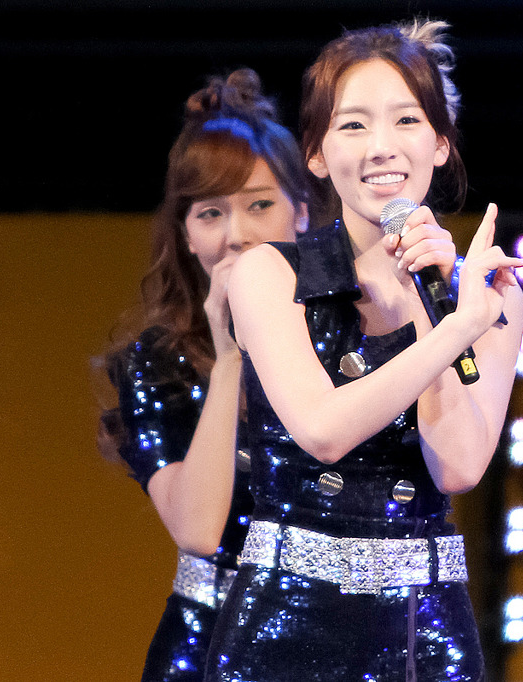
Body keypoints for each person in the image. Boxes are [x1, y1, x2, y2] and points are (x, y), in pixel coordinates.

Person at [206, 20, 523, 682]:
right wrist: (453, 333)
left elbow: (458, 467)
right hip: (284, 628)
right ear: (317, 155)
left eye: (406, 120)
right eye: (353, 125)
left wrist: (432, 306)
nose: (381, 146)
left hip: (425, 635)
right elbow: (323, 431)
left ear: (440, 144)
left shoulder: (484, 296)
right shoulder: (269, 274)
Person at [96, 68, 309, 681]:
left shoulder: (350, 338)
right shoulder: (156, 361)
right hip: (208, 646)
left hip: (340, 642)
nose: (236, 236)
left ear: (300, 213)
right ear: (186, 235)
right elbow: (198, 530)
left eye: (260, 205)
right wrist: (230, 356)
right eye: (211, 213)